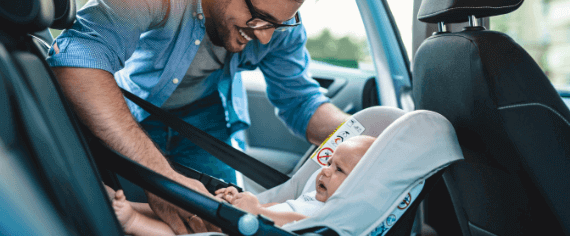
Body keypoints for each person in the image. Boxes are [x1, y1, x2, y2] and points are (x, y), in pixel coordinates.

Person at [47, 0, 349, 233]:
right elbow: (78, 60)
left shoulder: (277, 19)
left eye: (278, 25)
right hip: (130, 115)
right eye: (259, 19)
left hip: (206, 117)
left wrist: (371, 139)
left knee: (221, 224)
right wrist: (162, 177)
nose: (266, 37)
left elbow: (301, 102)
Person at [107, 136, 375, 235]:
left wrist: (257, 212)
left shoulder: (331, 217)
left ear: (358, 187)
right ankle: (129, 206)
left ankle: (134, 224)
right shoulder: (312, 198)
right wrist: (240, 201)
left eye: (338, 169)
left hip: (250, 230)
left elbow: (293, 221)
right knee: (189, 205)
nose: (325, 172)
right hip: (246, 224)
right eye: (329, 163)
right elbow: (275, 207)